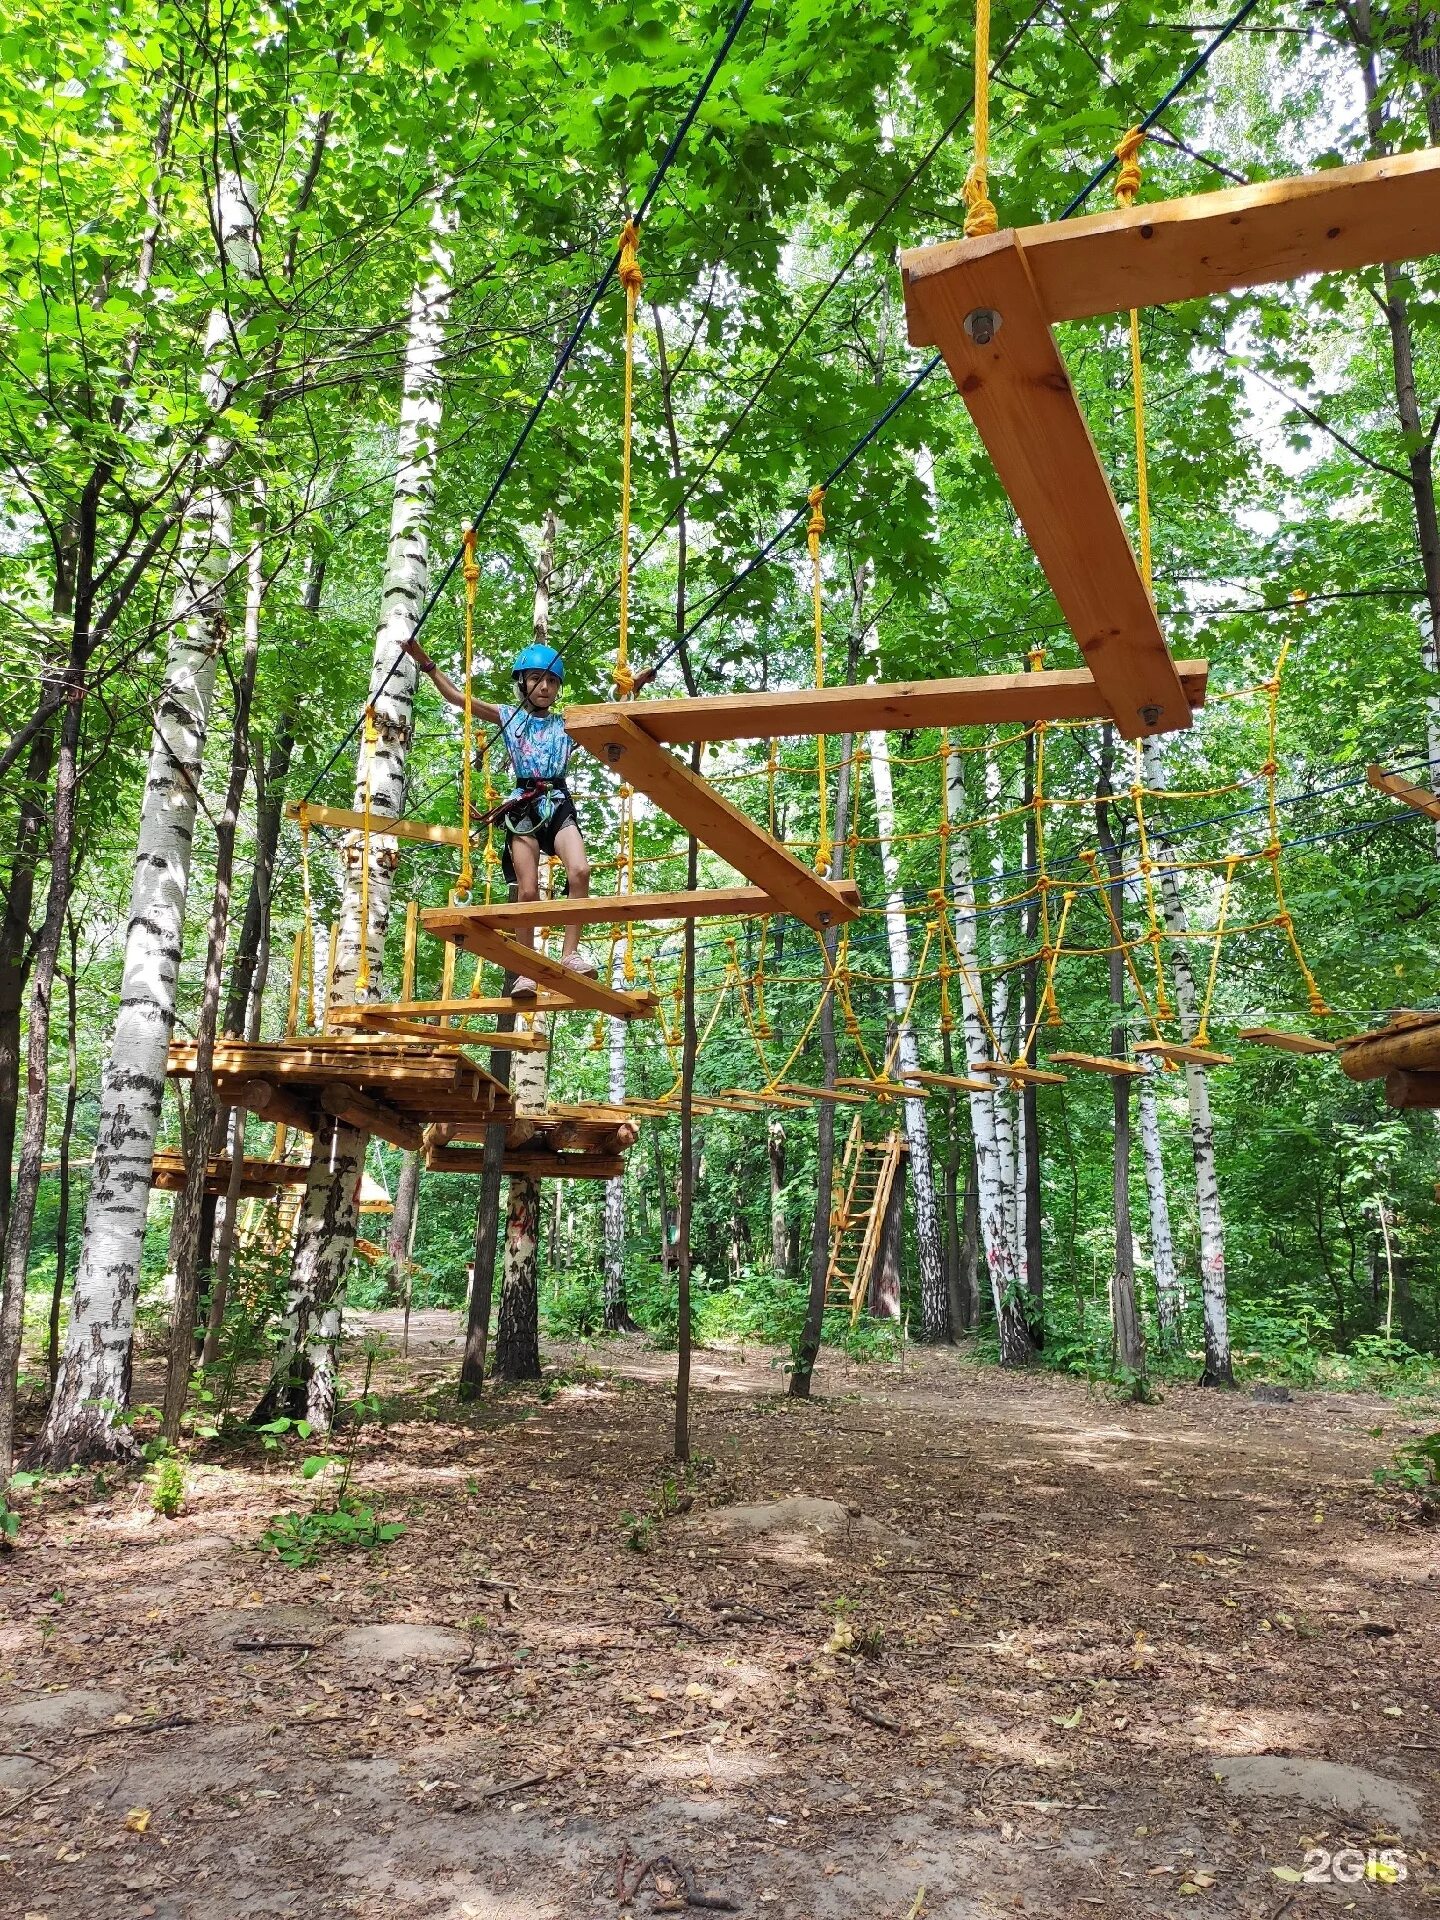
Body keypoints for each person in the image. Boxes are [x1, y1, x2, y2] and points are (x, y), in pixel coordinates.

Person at [402, 636, 652, 998]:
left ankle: (570, 955)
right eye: (536, 679)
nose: (545, 687)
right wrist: (424, 660)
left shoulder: (565, 723)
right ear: (522, 682)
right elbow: (458, 699)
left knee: (580, 870)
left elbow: (605, 716)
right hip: (523, 805)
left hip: (558, 800)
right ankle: (526, 970)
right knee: (529, 889)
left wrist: (631, 691)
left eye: (551, 680)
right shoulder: (509, 716)